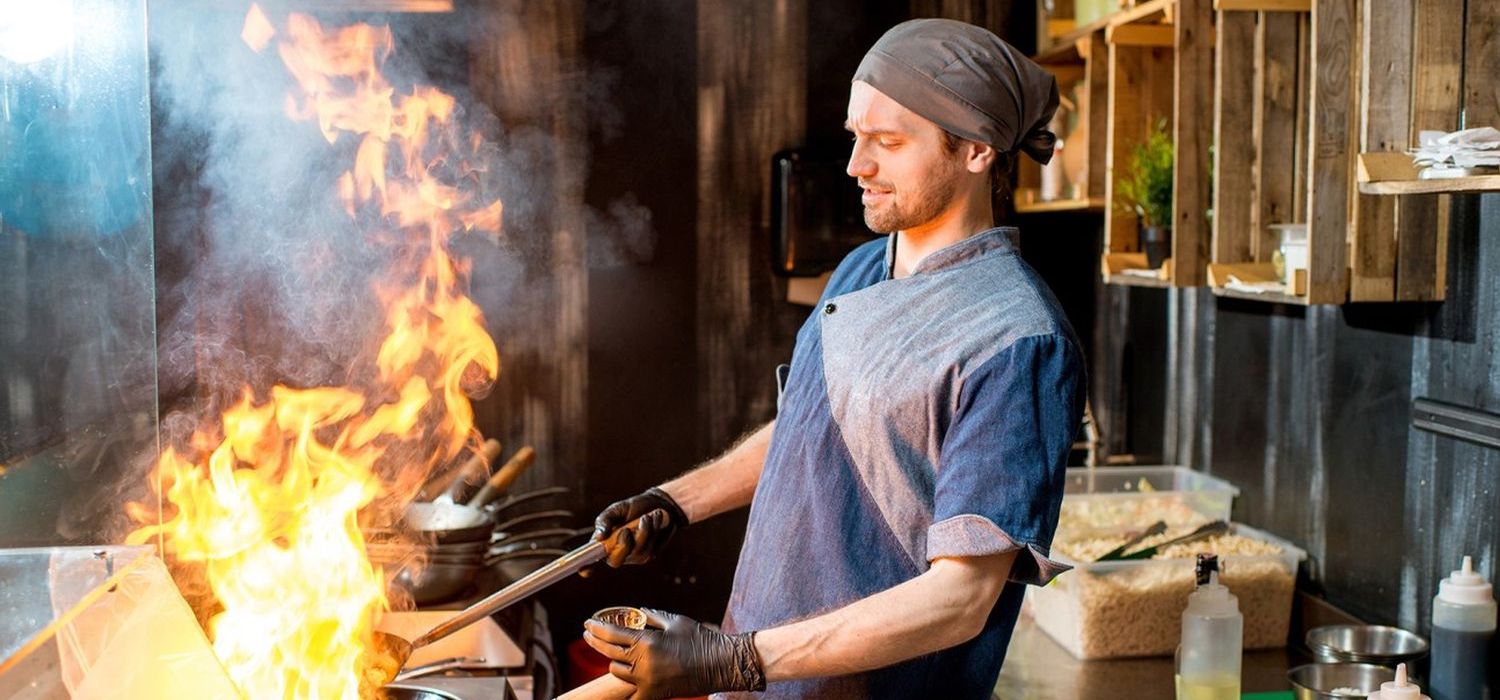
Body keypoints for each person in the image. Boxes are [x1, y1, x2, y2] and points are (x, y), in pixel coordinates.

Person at [583, 18, 1086, 699]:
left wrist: (731, 658)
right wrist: (677, 502)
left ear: (976, 148)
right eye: (857, 137)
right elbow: (811, 423)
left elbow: (960, 599)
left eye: (888, 143)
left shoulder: (1019, 340)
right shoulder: (859, 271)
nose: (856, 166)